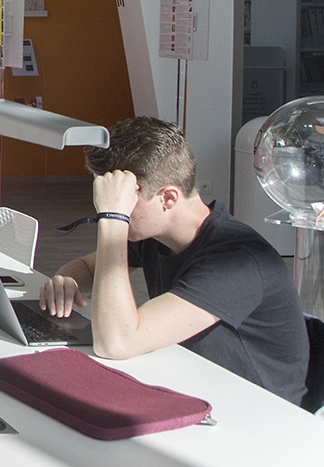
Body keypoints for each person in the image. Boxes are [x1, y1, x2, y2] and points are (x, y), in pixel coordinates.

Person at [39, 116, 307, 403]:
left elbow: (117, 342)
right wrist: (67, 281)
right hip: (197, 385)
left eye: (121, 200)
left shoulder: (237, 263)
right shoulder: (155, 235)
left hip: (258, 412)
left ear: (167, 198)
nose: (103, 208)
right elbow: (86, 267)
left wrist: (113, 219)